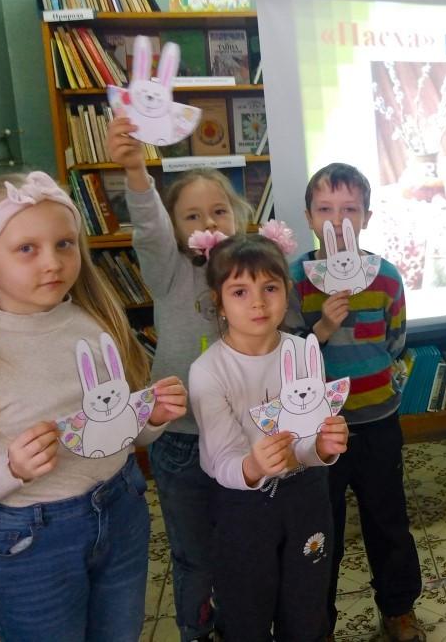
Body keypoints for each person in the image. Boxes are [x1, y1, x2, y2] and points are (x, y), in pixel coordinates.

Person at [0, 172, 188, 641]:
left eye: (64, 244)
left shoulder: (97, 321)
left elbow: (122, 429)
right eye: (27, 248)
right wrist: (10, 470)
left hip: (122, 508)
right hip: (33, 539)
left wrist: (153, 418)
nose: (53, 263)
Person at [106, 117, 253, 642]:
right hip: (182, 443)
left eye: (217, 211)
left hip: (243, 436)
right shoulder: (168, 271)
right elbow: (146, 225)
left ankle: (245, 624)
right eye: (191, 215)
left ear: (236, 217)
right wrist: (133, 169)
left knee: (243, 545)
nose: (206, 221)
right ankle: (197, 630)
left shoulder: (246, 271)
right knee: (193, 555)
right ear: (174, 228)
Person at [188, 229, 349, 642]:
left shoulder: (302, 352)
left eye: (270, 288)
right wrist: (253, 466)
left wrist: (323, 448)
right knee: (246, 610)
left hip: (306, 499)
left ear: (287, 291)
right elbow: (221, 458)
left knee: (306, 603)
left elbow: (311, 437)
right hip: (243, 509)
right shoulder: (209, 370)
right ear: (218, 304)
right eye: (240, 291)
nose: (258, 302)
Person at [286, 163, 424, 642]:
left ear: (366, 216)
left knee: (388, 521)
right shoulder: (295, 278)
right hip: (316, 433)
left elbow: (395, 341)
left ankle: (398, 608)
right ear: (308, 217)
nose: (337, 220)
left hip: (378, 422)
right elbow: (285, 356)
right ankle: (316, 622)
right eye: (325, 209)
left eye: (349, 210)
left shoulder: (385, 277)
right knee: (320, 531)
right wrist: (322, 327)